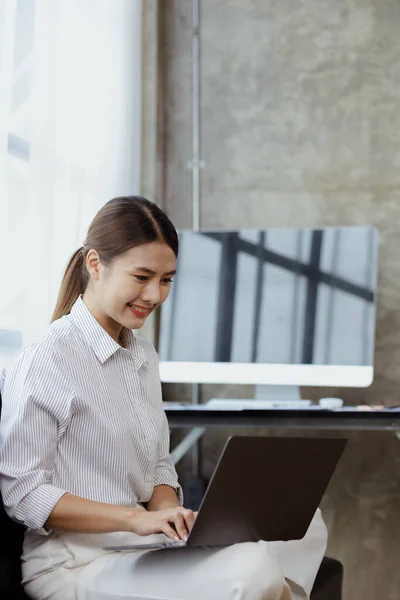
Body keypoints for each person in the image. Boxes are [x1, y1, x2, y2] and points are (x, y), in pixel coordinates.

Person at [0, 196, 327, 600]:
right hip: (74, 563)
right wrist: (135, 521)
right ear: (95, 264)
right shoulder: (46, 359)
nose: (155, 295)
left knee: (306, 523)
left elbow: (157, 466)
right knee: (253, 568)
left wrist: (171, 518)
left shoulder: (142, 356)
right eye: (142, 277)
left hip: (138, 545)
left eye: (167, 279)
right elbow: (23, 493)